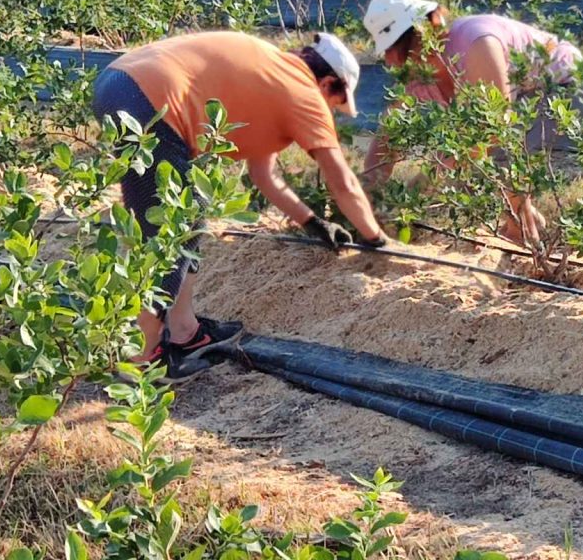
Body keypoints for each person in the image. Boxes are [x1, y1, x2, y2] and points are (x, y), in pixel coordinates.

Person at [92, 30, 388, 379]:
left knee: (185, 214)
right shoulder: (304, 91)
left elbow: (266, 177)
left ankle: (184, 332)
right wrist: (375, 239)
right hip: (147, 96)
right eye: (335, 101)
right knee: (172, 227)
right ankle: (141, 358)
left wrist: (312, 222)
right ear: (327, 83)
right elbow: (343, 183)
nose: (331, 112)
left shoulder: (272, 77)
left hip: (118, 84)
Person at [362, 0, 583, 244]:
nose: (392, 60)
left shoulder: (476, 42)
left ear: (428, 27)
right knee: (465, 173)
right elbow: (390, 135)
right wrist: (367, 196)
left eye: (399, 47)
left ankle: (523, 234)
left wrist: (419, 188)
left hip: (566, 89)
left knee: (489, 150)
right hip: (523, 99)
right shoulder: (418, 74)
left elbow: (497, 127)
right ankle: (529, 219)